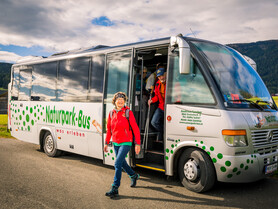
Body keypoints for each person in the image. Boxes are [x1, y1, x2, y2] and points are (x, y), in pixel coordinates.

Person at [104, 92, 141, 198]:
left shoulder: (128, 112)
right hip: (116, 142)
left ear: (124, 101)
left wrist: (137, 143)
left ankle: (115, 188)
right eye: (118, 100)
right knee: (122, 163)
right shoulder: (111, 113)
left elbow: (135, 129)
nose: (120, 102)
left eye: (122, 100)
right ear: (114, 102)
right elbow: (109, 130)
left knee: (117, 163)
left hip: (126, 141)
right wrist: (107, 143)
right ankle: (133, 175)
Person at [148, 67, 166, 141]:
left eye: (162, 75)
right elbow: (157, 97)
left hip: (169, 107)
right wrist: (151, 100)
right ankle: (163, 132)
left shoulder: (170, 82)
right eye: (159, 76)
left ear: (165, 74)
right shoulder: (157, 84)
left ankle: (163, 135)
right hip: (161, 107)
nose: (160, 77)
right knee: (154, 122)